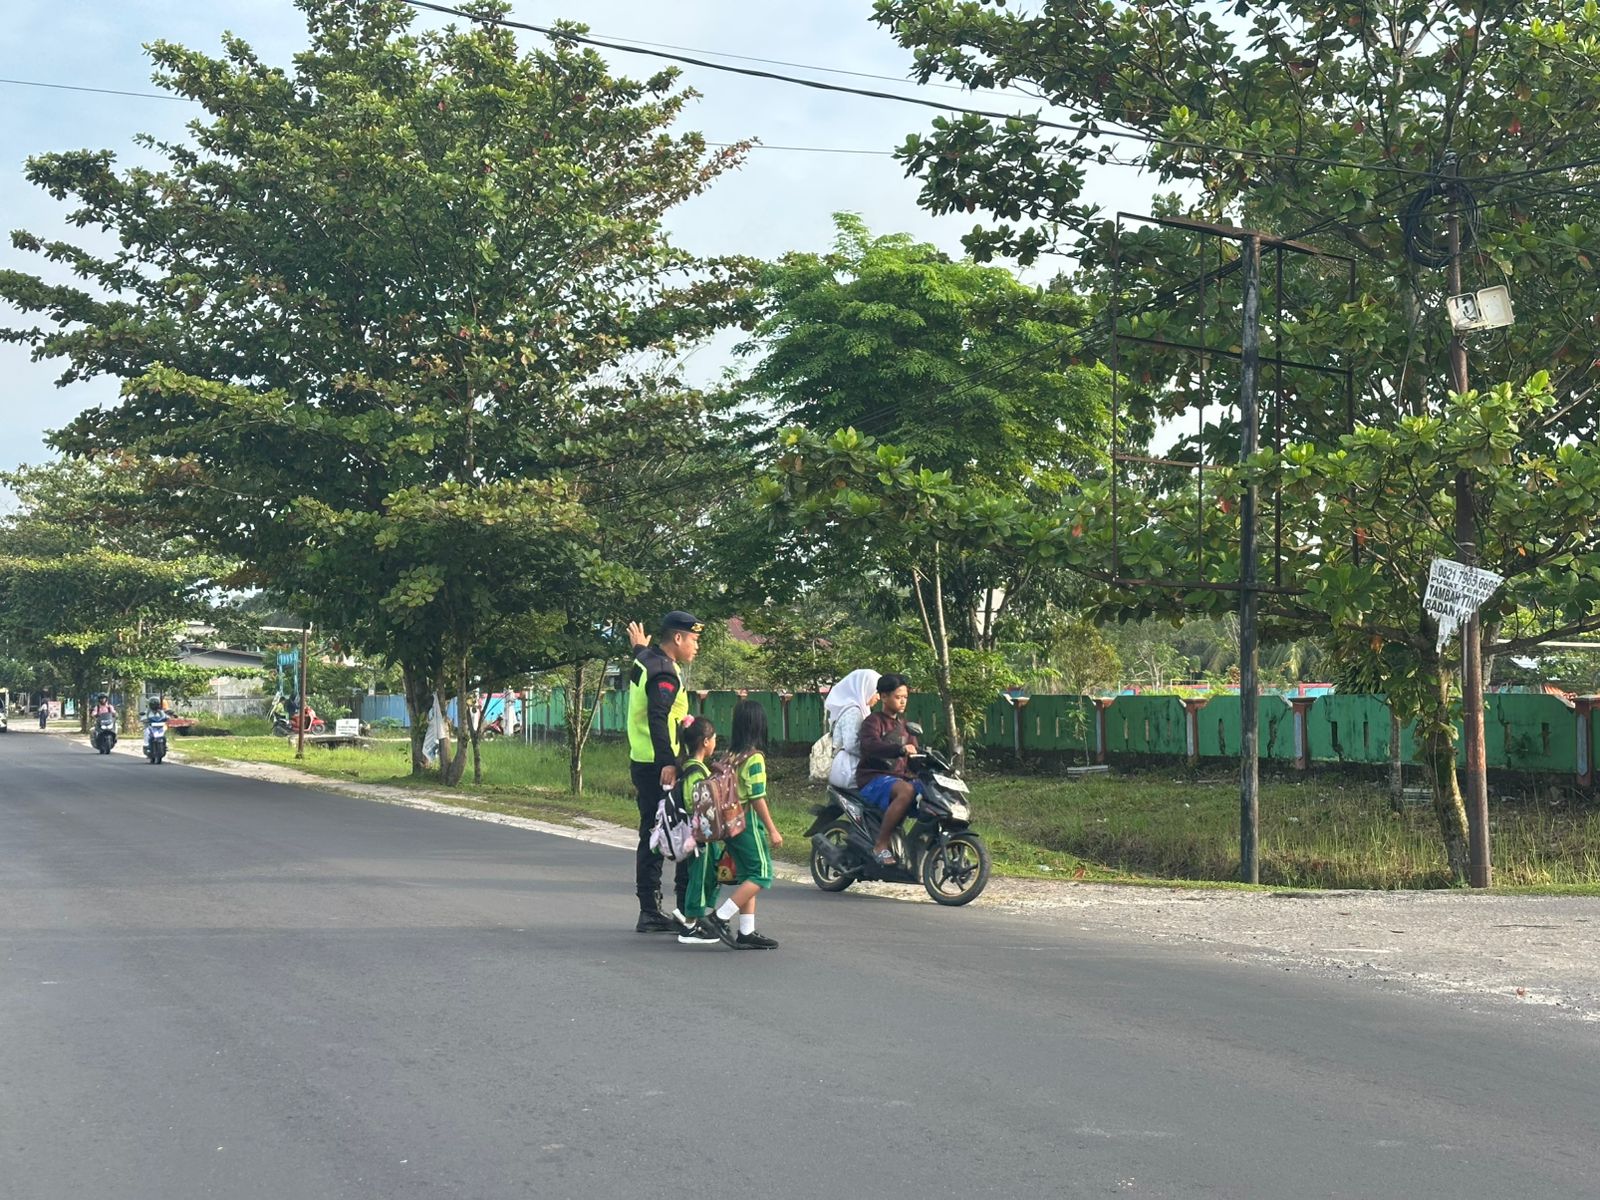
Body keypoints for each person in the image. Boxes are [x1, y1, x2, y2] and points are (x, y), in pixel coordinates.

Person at [625, 610, 702, 933]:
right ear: (679, 638)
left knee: (654, 831)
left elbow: (645, 656)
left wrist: (639, 647)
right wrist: (668, 763)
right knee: (669, 833)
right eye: (694, 640)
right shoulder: (665, 675)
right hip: (658, 765)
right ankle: (663, 908)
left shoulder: (649, 660)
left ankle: (652, 907)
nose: (697, 647)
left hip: (641, 759)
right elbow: (658, 718)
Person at [718, 699, 783, 948]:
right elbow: (757, 797)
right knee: (761, 873)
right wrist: (772, 830)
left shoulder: (729, 755)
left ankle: (747, 931)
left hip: (727, 824)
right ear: (759, 725)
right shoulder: (754, 758)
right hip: (745, 821)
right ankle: (720, 916)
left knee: (747, 874)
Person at [674, 715, 732, 947]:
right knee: (698, 877)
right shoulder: (696, 771)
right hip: (699, 834)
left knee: (706, 874)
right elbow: (693, 803)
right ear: (705, 741)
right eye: (714, 739)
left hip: (698, 833)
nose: (715, 743)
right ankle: (690, 925)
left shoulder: (688, 766)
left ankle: (696, 918)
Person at [857, 673, 924, 866]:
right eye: (898, 697)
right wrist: (900, 749)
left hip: (898, 778)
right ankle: (880, 844)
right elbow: (870, 745)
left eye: (905, 697)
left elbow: (914, 754)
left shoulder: (905, 726)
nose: (903, 701)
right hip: (873, 778)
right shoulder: (873, 722)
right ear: (884, 697)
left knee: (928, 790)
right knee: (907, 791)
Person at [822, 668, 880, 789]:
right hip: (849, 770)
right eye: (876, 691)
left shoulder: (859, 709)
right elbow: (851, 744)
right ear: (865, 688)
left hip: (849, 767)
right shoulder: (854, 712)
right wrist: (876, 756)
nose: (878, 697)